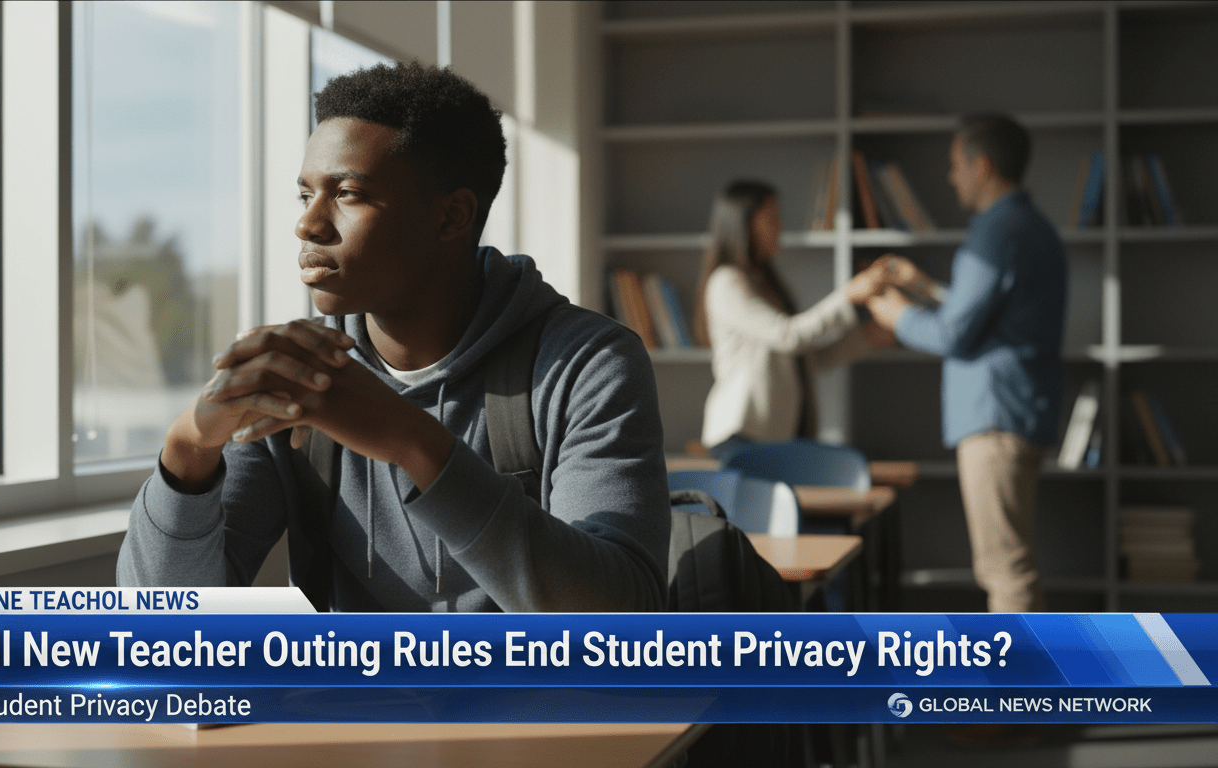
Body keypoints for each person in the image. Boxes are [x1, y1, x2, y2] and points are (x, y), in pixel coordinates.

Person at [116, 62, 670, 613]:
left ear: (451, 217)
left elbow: (623, 624)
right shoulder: (298, 374)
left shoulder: (588, 364)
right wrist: (188, 448)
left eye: (348, 193)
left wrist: (412, 441)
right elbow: (159, 626)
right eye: (305, 195)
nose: (308, 224)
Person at [868, 113, 1067, 613]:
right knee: (1010, 563)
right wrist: (925, 288)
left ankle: (1018, 667)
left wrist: (898, 315)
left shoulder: (996, 232)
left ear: (983, 167)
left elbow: (954, 334)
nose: (951, 176)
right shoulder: (1031, 227)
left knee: (1005, 569)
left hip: (994, 418)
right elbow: (990, 316)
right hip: (1017, 410)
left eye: (957, 165)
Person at [696, 180, 892, 461]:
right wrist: (848, 296)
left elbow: (806, 360)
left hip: (774, 436)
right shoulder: (727, 283)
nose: (781, 228)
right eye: (772, 219)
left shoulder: (763, 283)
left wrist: (867, 337)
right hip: (742, 435)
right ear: (745, 224)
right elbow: (788, 336)